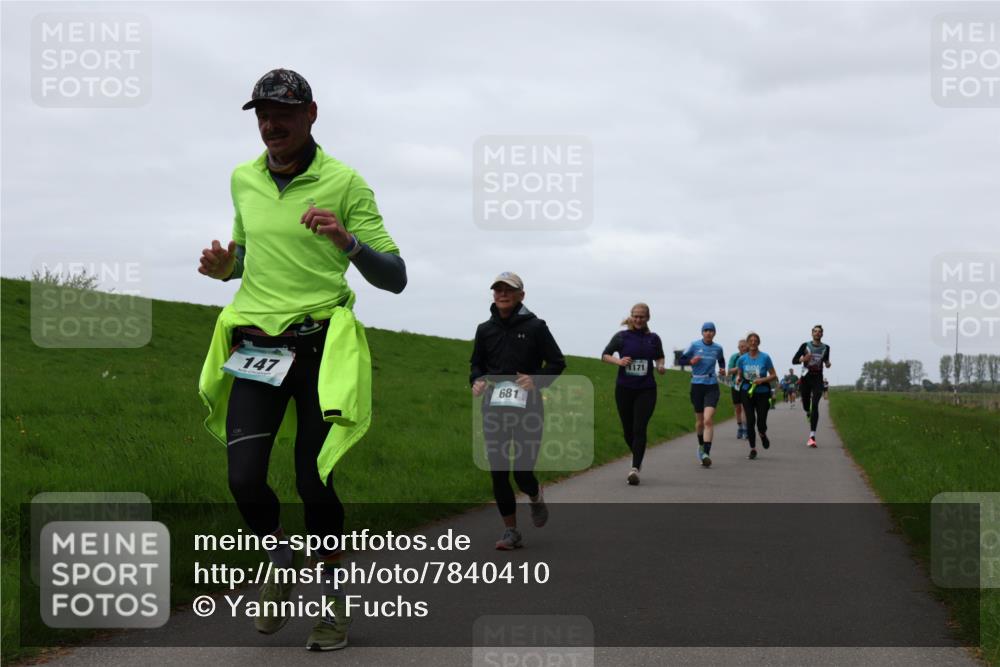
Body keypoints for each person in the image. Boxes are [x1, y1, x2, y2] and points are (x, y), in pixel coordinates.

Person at [197, 69, 407, 651]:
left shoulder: (345, 183)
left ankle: (332, 605)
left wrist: (347, 241)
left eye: (282, 114)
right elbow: (249, 258)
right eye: (262, 114)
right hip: (257, 348)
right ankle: (279, 559)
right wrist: (226, 268)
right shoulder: (243, 179)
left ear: (311, 114)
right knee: (243, 477)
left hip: (318, 347)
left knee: (313, 479)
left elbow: (396, 278)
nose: (271, 125)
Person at [470, 272, 566, 550]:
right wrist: (476, 380)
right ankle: (511, 531)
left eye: (508, 290)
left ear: (521, 295)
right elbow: (476, 365)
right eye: (498, 289)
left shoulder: (536, 327)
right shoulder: (484, 329)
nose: (502, 294)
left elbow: (558, 363)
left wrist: (536, 380)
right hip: (494, 408)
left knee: (523, 472)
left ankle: (535, 497)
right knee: (498, 471)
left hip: (529, 409)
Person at [601, 303, 666, 485]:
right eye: (635, 316)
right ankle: (637, 454)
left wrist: (660, 365)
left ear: (648, 318)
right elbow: (605, 355)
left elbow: (659, 356)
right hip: (624, 389)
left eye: (642, 317)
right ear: (631, 316)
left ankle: (635, 468)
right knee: (627, 430)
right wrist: (619, 361)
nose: (638, 320)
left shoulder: (653, 338)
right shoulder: (622, 337)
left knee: (639, 427)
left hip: (646, 389)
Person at [682, 323, 726, 467]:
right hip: (697, 385)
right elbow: (680, 359)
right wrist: (690, 361)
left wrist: (722, 369)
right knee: (700, 421)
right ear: (702, 332)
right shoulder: (694, 345)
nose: (708, 333)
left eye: (711, 331)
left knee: (708, 420)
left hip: (712, 385)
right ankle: (701, 446)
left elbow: (721, 359)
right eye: (706, 331)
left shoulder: (718, 348)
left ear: (714, 333)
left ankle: (706, 453)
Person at [735, 333, 777, 459]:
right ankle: (752, 449)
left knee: (761, 422)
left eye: (755, 340)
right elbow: (739, 374)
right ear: (747, 343)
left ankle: (762, 434)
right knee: (750, 421)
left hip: (763, 392)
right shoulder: (742, 359)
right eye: (751, 340)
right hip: (747, 391)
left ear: (759, 343)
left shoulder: (765, 357)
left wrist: (762, 380)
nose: (753, 342)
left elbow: (774, 375)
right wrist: (738, 378)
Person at [792, 325, 831, 448]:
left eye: (819, 332)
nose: (817, 333)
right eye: (815, 331)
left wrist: (828, 363)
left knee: (815, 405)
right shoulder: (805, 346)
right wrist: (803, 358)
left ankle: (812, 436)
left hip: (818, 378)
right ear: (812, 333)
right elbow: (794, 360)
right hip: (806, 377)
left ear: (822, 334)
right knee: (806, 404)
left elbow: (826, 360)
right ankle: (807, 411)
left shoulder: (826, 347)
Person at [726, 339, 749, 439]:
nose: (742, 348)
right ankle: (739, 426)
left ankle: (745, 429)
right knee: (737, 408)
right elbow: (729, 371)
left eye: (744, 346)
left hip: (747, 385)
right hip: (735, 385)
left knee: (745, 407)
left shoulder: (750, 357)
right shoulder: (734, 357)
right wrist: (739, 367)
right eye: (740, 347)